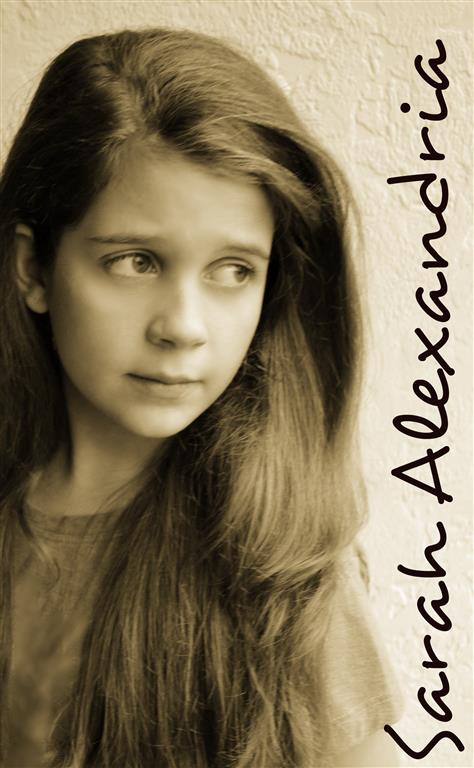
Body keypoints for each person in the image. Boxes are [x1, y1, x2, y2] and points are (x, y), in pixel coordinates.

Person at [0, 27, 403, 768]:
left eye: (233, 270)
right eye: (136, 261)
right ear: (34, 268)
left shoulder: (283, 578)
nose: (184, 327)